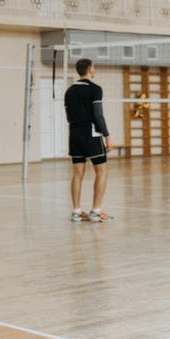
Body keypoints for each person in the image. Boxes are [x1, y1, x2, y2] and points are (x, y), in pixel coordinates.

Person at [64, 58, 111, 222]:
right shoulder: (95, 89)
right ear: (90, 69)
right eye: (94, 66)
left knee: (77, 174)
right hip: (91, 134)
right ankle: (95, 211)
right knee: (102, 171)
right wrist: (107, 135)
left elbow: (68, 116)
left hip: (74, 134)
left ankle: (76, 212)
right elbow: (98, 115)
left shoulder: (69, 91)